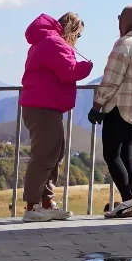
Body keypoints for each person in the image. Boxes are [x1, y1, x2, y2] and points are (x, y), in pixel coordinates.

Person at [20, 12, 92, 221]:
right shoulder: (54, 43)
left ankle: (46, 203)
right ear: (73, 29)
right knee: (45, 156)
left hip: (43, 105)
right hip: (44, 107)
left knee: (53, 153)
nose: (77, 40)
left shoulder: (45, 41)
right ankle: (33, 207)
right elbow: (69, 71)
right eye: (78, 35)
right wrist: (87, 67)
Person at [88, 5, 132, 219]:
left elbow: (111, 78)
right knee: (128, 152)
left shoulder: (125, 43)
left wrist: (97, 105)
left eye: (121, 18)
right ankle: (130, 199)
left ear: (129, 20)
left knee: (112, 154)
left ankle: (127, 201)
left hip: (119, 105)